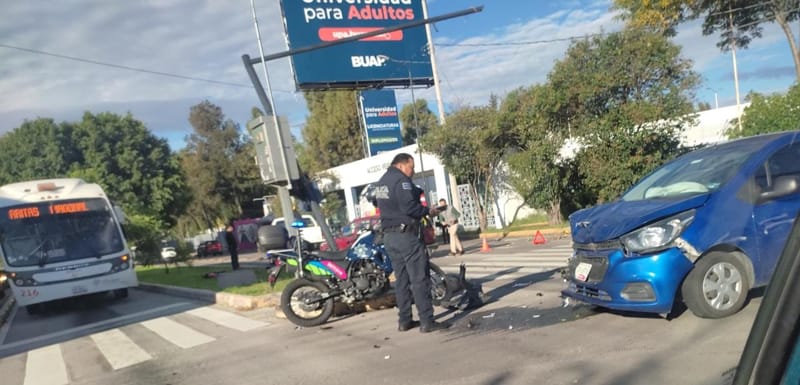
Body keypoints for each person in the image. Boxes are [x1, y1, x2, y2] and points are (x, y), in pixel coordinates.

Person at [375, 153, 450, 333]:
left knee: (401, 281)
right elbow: (410, 207)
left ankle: (404, 321)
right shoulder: (402, 181)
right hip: (406, 237)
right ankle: (427, 321)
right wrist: (428, 211)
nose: (413, 171)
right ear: (401, 165)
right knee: (419, 279)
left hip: (389, 237)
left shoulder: (381, 182)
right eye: (411, 167)